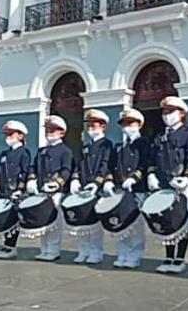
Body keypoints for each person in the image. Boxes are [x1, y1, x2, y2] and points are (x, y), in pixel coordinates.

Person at [148, 96, 188, 275]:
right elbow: (153, 158)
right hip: (164, 183)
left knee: (182, 221)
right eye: (164, 112)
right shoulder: (160, 136)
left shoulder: (187, 133)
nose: (166, 115)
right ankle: (168, 256)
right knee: (167, 221)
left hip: (181, 183)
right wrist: (151, 175)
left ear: (181, 113)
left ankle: (180, 258)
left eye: (170, 111)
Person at [107, 108, 151, 269]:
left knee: (136, 224)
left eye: (130, 123)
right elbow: (111, 166)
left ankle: (135, 254)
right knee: (121, 223)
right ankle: (123, 252)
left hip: (136, 188)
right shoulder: (119, 146)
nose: (127, 126)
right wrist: (109, 180)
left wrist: (134, 178)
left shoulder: (144, 143)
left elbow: (145, 163)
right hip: (121, 189)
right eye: (124, 124)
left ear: (139, 124)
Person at [26, 115, 72, 262]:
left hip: (55, 192)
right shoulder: (42, 151)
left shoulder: (65, 151)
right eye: (48, 129)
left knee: (54, 223)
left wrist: (57, 183)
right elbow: (33, 166)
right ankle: (44, 249)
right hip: (41, 190)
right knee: (42, 221)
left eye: (53, 130)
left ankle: (53, 250)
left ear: (62, 133)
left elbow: (66, 170)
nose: (49, 132)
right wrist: (32, 179)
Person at [69, 109, 113, 265]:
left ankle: (96, 252)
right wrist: (75, 179)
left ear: (103, 126)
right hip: (83, 188)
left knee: (94, 224)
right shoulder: (86, 146)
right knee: (82, 222)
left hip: (96, 188)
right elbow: (79, 165)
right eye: (88, 126)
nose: (90, 129)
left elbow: (105, 165)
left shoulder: (107, 145)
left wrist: (97, 182)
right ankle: (83, 250)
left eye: (93, 125)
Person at [0, 120, 32, 260]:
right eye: (7, 134)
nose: (8, 136)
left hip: (15, 191)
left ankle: (11, 246)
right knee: (4, 217)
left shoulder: (24, 153)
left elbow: (25, 172)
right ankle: (5, 245)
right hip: (3, 190)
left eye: (11, 133)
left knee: (12, 219)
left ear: (20, 136)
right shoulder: (3, 154)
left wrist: (20, 188)